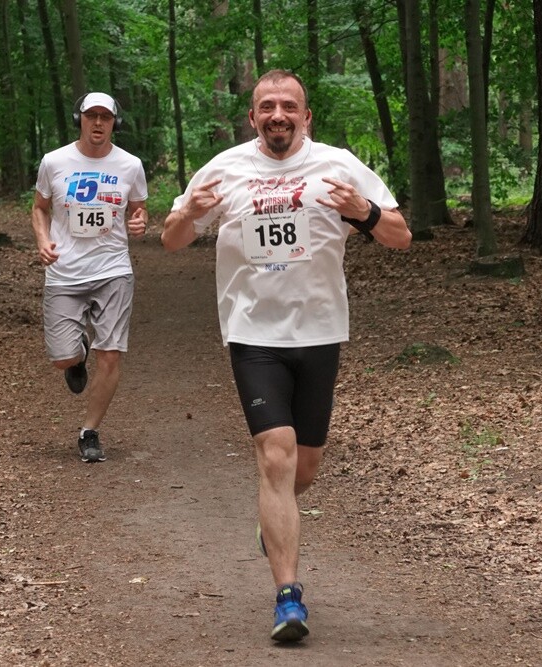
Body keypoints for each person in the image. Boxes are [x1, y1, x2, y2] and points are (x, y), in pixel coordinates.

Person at [161, 69, 411, 643]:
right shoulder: (223, 169)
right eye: (267, 106)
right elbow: (173, 240)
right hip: (254, 335)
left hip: (321, 332)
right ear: (252, 117)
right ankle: (289, 598)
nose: (278, 114)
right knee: (275, 455)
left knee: (305, 466)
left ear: (305, 116)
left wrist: (365, 214)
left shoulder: (339, 165)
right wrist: (185, 213)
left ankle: (275, 521)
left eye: (288, 106)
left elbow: (400, 235)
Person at [32, 91, 148, 463]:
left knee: (110, 354)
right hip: (65, 270)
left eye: (106, 117)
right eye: (91, 116)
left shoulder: (130, 165)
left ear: (115, 122)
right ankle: (75, 357)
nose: (98, 123)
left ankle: (90, 430)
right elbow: (39, 207)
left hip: (112, 269)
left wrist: (140, 220)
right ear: (79, 119)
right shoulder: (54, 162)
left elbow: (139, 208)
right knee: (62, 359)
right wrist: (43, 240)